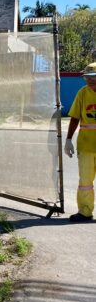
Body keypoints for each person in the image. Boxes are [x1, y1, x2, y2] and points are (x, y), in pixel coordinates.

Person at [64, 60, 96, 222]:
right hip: (86, 146)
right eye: (87, 77)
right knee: (85, 181)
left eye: (93, 77)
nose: (90, 80)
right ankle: (85, 212)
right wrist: (68, 139)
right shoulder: (82, 93)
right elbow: (75, 117)